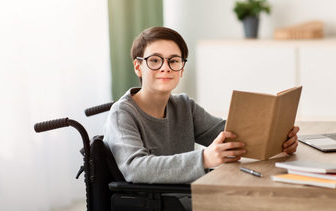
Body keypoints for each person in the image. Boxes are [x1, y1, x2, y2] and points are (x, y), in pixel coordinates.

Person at [103, 26, 299, 184]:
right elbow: (135, 169)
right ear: (138, 67)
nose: (165, 67)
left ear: (182, 69)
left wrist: (280, 140)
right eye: (154, 60)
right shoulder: (122, 114)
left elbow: (232, 134)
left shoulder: (184, 106)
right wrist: (205, 158)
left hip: (191, 196)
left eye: (173, 61)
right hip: (159, 203)